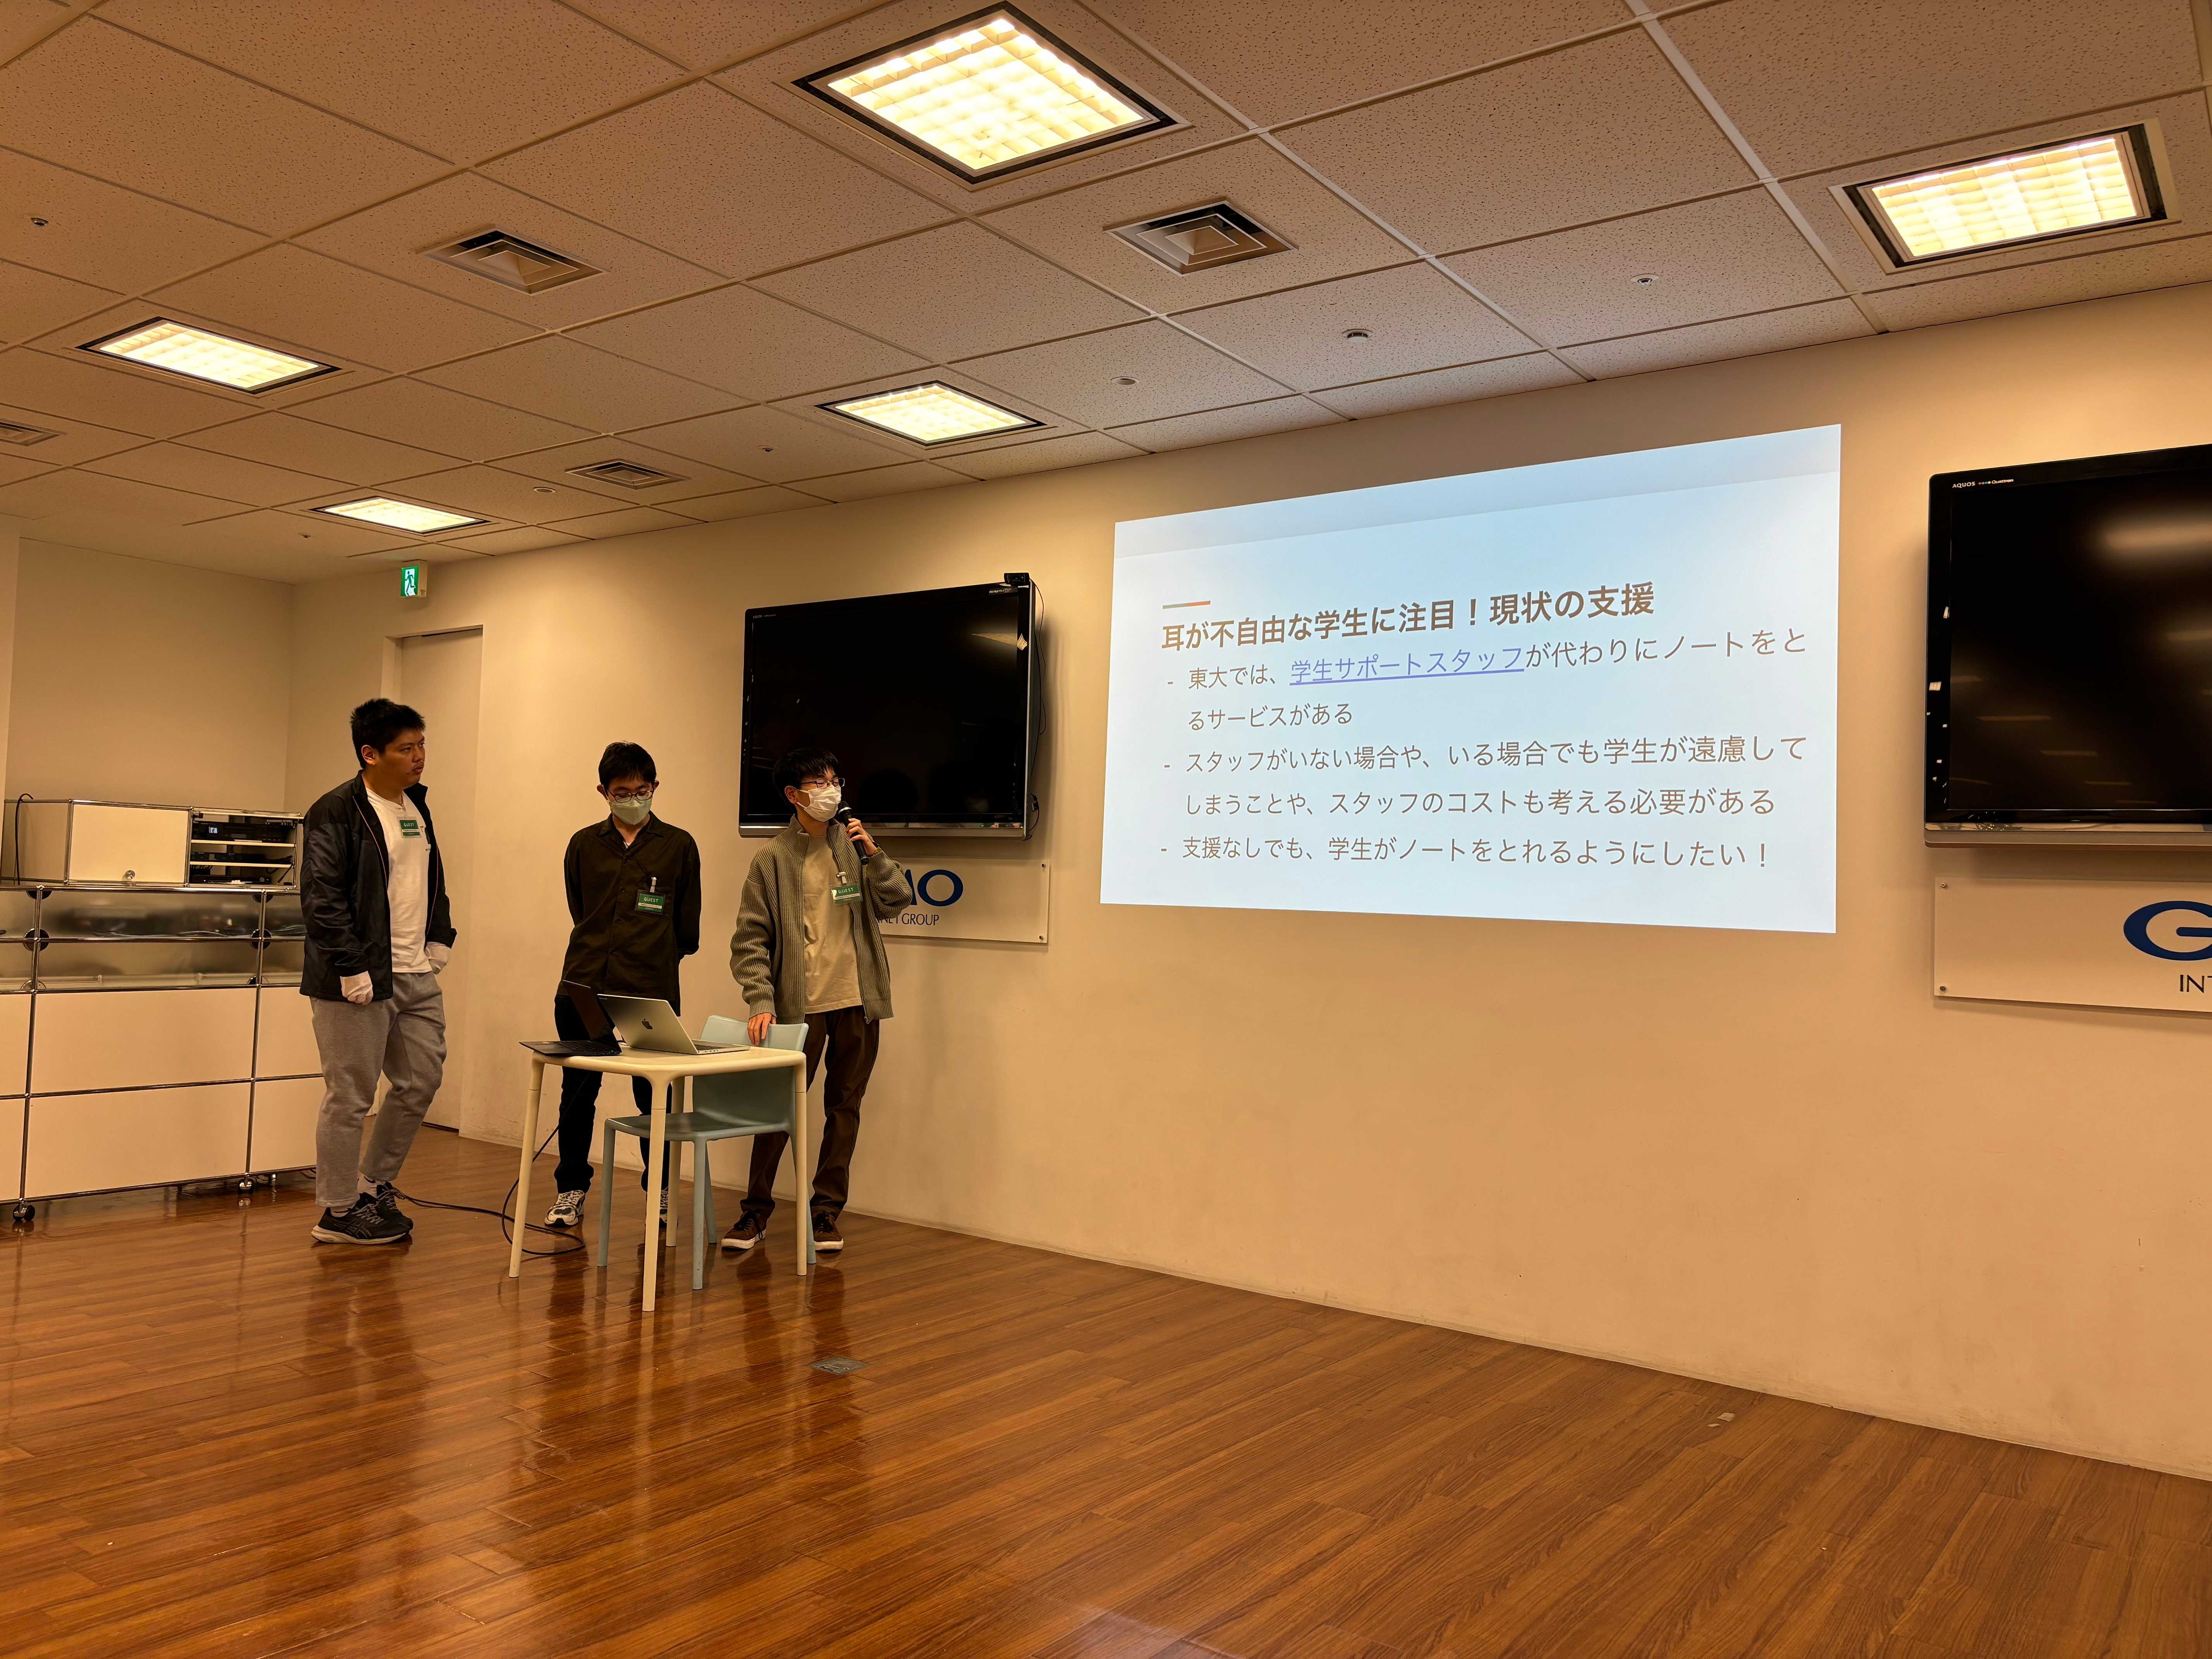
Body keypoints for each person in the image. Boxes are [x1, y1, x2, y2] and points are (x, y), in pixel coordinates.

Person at [723, 746, 911, 1257]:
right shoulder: (772, 859)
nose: (832, 791)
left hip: (857, 1004)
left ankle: (825, 1212)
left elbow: (897, 900)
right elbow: (750, 941)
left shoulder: (853, 847)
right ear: (793, 794)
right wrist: (761, 999)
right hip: (798, 1009)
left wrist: (874, 853)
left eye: (835, 781)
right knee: (777, 1110)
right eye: (819, 784)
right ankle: (755, 1212)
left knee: (844, 1110)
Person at [301, 698, 455, 1245]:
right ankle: (338, 1211)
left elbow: (430, 877)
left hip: (415, 972)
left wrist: (440, 934)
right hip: (358, 978)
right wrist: (351, 966)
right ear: (370, 754)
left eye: (422, 745)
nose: (419, 757)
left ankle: (371, 1185)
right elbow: (322, 897)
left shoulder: (416, 807)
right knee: (351, 1096)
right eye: (406, 748)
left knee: (421, 1081)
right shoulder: (336, 811)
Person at [543, 741, 702, 1233]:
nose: (633, 798)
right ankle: (571, 1191)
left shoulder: (678, 845)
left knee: (654, 1095)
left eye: (641, 790)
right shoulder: (583, 844)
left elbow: (687, 929)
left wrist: (649, 955)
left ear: (655, 788)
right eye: (622, 792)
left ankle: (660, 1191)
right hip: (584, 986)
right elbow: (581, 910)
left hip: (648, 991)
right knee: (578, 1093)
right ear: (603, 792)